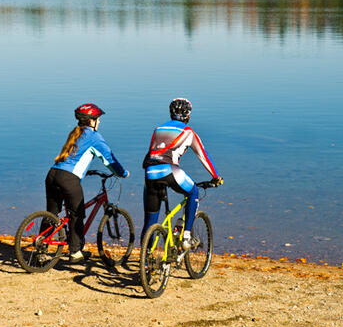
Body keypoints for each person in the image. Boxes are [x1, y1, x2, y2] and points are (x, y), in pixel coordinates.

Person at [45, 103, 129, 263]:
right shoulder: (94, 137)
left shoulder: (75, 133)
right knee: (78, 213)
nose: (99, 122)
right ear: (91, 121)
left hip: (53, 174)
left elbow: (72, 157)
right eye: (98, 119)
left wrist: (87, 171)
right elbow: (109, 159)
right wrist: (123, 173)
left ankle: (41, 248)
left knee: (51, 214)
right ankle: (75, 252)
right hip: (68, 179)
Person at [141, 98, 222, 250]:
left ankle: (144, 264)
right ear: (188, 116)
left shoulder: (158, 129)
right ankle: (186, 236)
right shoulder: (188, 132)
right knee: (193, 192)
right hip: (170, 170)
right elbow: (203, 156)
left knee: (150, 222)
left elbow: (148, 156)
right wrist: (216, 177)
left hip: (150, 174)